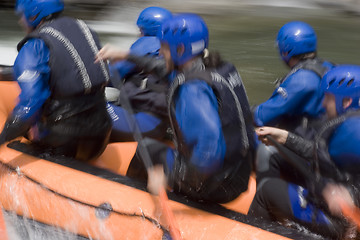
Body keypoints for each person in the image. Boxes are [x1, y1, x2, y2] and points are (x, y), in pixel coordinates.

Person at [96, 13, 256, 203]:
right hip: (238, 175)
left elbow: (209, 149)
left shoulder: (192, 90)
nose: (160, 52)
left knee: (147, 149)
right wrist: (126, 56)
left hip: (215, 184)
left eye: (164, 47)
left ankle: (128, 205)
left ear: (180, 49)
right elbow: (162, 69)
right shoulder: (217, 68)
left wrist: (170, 176)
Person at [250, 65, 360, 239]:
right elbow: (320, 154)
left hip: (340, 223)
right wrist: (284, 137)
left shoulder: (352, 131)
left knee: (267, 191)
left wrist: (351, 195)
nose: (323, 104)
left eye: (329, 98)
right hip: (341, 215)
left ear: (346, 102)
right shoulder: (348, 126)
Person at [0, 0, 112, 161]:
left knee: (23, 127)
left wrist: (3, 138)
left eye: (21, 16)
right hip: (100, 139)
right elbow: (65, 69)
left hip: (62, 144)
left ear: (33, 15)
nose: (20, 21)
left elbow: (31, 102)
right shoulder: (85, 30)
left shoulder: (34, 46)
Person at [253, 21, 335, 186]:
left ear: (286, 50)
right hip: (325, 146)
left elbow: (262, 116)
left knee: (256, 141)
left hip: (308, 151)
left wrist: (245, 110)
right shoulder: (328, 67)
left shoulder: (302, 81)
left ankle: (265, 197)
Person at [104, 7, 172, 142]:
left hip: (145, 122)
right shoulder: (171, 48)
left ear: (146, 30)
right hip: (158, 120)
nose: (139, 33)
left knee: (85, 106)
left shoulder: (146, 44)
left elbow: (111, 75)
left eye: (140, 29)